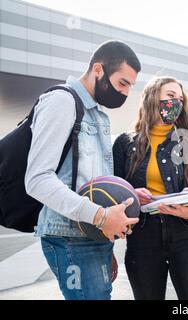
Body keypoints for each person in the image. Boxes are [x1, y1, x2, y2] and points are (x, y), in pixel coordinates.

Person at [24, 40, 141, 300]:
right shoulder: (61, 102)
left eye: (130, 87)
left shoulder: (97, 114)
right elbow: (37, 179)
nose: (125, 93)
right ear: (98, 69)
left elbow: (94, 186)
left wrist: (123, 202)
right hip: (69, 237)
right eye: (122, 83)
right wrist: (100, 217)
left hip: (92, 235)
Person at [113, 76, 188, 300]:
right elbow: (113, 193)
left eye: (180, 98)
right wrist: (131, 195)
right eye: (170, 96)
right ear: (152, 98)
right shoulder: (125, 144)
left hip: (185, 236)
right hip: (142, 238)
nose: (176, 102)